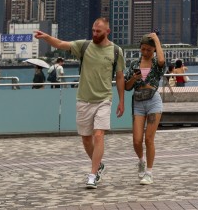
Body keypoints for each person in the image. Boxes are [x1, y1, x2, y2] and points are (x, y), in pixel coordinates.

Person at [34, 17, 126, 190]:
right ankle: (99, 165)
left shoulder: (116, 51)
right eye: (93, 30)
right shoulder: (84, 46)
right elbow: (61, 44)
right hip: (83, 99)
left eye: (98, 31)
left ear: (108, 31)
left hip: (104, 99)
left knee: (98, 135)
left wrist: (121, 101)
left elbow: (120, 77)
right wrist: (46, 37)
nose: (95, 34)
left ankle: (92, 175)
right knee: (86, 139)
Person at [124, 32, 165, 185]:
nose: (146, 52)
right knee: (136, 140)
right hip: (138, 103)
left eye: (149, 49)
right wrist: (134, 78)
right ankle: (141, 160)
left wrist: (157, 40)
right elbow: (127, 87)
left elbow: (162, 60)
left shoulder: (156, 63)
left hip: (153, 101)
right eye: (143, 49)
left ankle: (149, 172)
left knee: (149, 139)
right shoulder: (134, 64)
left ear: (154, 50)